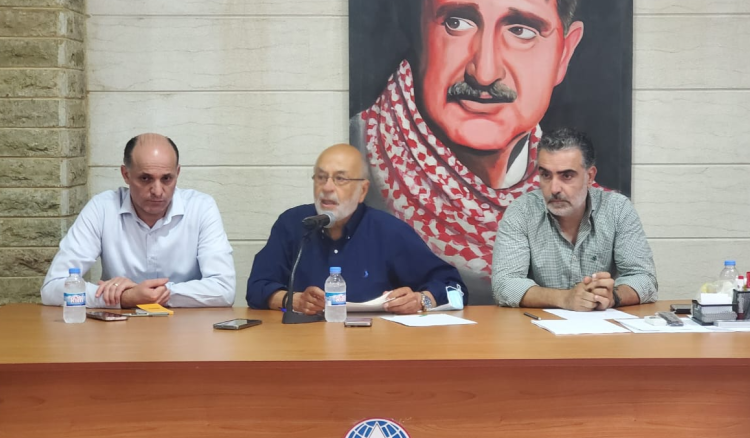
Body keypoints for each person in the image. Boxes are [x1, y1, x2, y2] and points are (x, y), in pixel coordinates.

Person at [350, 0, 585, 300]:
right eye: (456, 23)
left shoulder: (590, 204)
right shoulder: (355, 167)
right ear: (417, 34)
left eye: (521, 31)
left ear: (564, 54)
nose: (484, 73)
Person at [247, 143, 466, 315]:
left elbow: (455, 288)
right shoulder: (293, 224)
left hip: (374, 346)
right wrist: (292, 300)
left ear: (362, 191)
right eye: (321, 177)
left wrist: (422, 300)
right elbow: (256, 289)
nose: (327, 188)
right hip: (304, 344)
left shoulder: (389, 231)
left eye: (340, 179)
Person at [41, 133, 236, 308]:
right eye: (145, 179)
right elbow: (52, 288)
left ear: (178, 173)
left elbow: (224, 290)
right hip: (119, 329)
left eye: (167, 179)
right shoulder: (102, 208)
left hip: (185, 328)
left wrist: (154, 294)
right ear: (126, 175)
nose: (157, 191)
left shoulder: (201, 208)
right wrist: (125, 297)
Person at [491, 128, 657, 310]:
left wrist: (613, 297)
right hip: (538, 325)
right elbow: (504, 284)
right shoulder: (522, 211)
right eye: (546, 175)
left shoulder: (617, 209)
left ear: (590, 176)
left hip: (601, 323)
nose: (554, 188)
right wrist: (565, 298)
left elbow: (644, 278)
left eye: (567, 176)